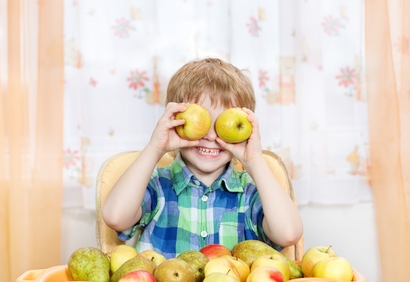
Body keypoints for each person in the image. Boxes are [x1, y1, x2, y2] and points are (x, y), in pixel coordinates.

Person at [102, 58, 303, 258]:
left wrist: (255, 160)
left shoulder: (250, 192)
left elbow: (288, 234)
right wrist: (155, 148)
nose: (210, 136)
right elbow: (116, 217)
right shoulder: (157, 185)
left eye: (222, 125)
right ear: (176, 121)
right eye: (202, 122)